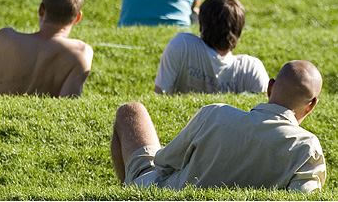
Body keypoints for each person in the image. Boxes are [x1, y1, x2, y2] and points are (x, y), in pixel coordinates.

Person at [111, 60, 325, 193]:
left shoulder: (215, 114)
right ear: (312, 105)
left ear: (270, 87)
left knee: (131, 111)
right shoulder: (307, 149)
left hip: (163, 192)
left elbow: (164, 162)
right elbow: (303, 195)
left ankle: (127, 195)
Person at [0, 0, 94, 97]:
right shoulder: (80, 53)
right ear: (78, 17)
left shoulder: (4, 39)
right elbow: (67, 104)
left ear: (41, 10)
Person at [154, 0, 269, 95]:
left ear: (202, 25)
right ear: (238, 31)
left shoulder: (182, 44)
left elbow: (159, 96)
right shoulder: (251, 69)